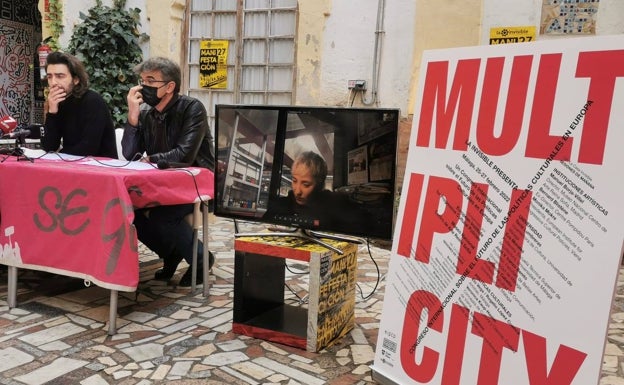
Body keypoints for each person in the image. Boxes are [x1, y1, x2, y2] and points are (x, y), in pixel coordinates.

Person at [121, 57, 215, 287]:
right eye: (142, 80)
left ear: (170, 86)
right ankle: (170, 253)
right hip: (160, 183)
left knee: (164, 215)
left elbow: (184, 155)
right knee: (129, 209)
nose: (144, 87)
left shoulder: (192, 108)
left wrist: (150, 158)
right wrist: (133, 117)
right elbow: (129, 153)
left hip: (195, 182)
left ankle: (202, 258)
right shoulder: (147, 114)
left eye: (151, 80)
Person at [41, 51, 117, 158]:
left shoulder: (93, 101)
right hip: (71, 166)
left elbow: (88, 148)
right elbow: (49, 146)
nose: (53, 82)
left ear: (75, 79)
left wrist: (59, 156)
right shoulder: (60, 102)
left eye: (60, 76)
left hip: (101, 168)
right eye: (49, 77)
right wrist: (52, 112)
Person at [264, 151, 360, 230]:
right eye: (294, 181)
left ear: (319, 185)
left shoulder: (335, 207)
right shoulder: (280, 205)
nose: (297, 191)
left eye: (306, 184)